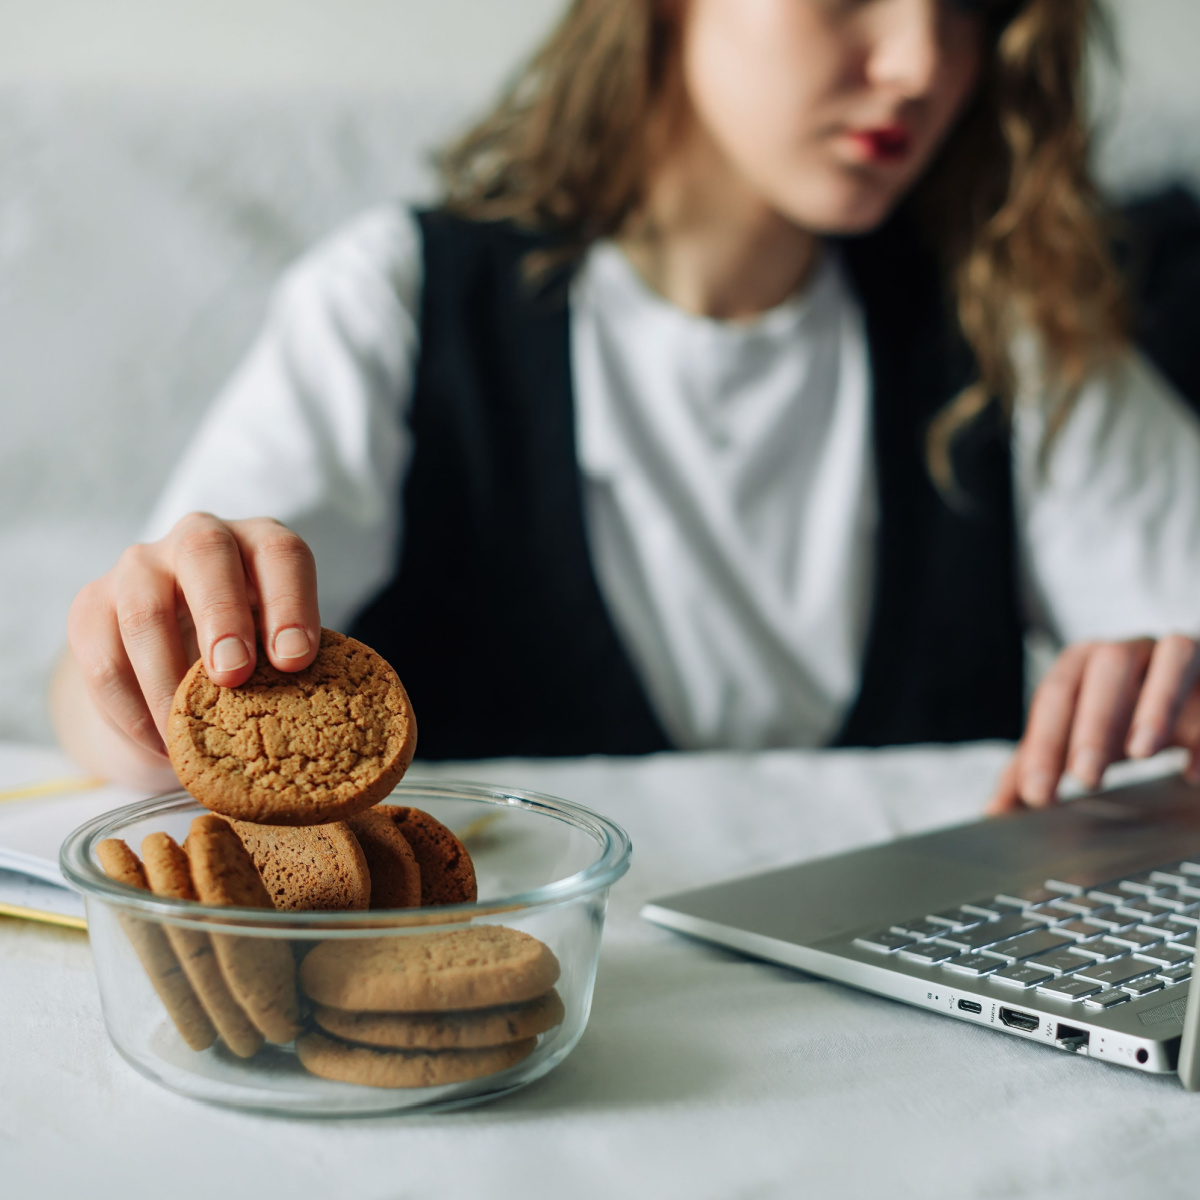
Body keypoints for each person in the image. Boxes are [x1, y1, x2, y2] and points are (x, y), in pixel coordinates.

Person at [51, 0, 1200, 816]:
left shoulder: (1015, 326)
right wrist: (137, 675)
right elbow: (128, 708)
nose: (920, 60)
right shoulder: (397, 300)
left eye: (969, 8)